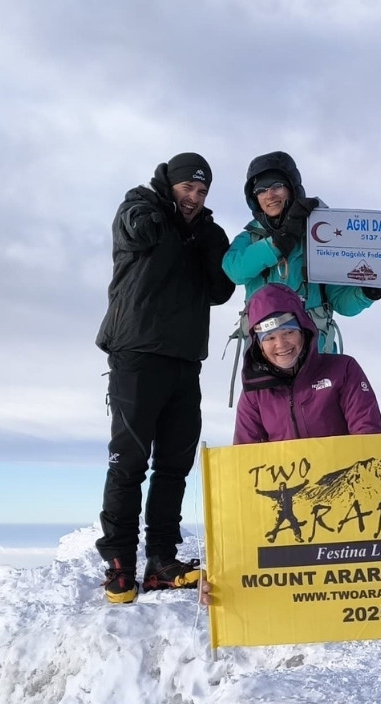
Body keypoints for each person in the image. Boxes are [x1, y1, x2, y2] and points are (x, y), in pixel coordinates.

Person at [92, 153, 235, 604]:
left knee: (175, 464)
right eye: (187, 189)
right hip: (136, 353)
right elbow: (138, 229)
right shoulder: (141, 206)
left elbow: (220, 289)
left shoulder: (206, 231)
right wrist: (173, 220)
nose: (193, 198)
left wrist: (208, 242)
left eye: (201, 192)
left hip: (184, 360)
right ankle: (118, 563)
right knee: (129, 460)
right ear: (169, 184)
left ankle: (160, 560)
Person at [221, 151, 381, 355]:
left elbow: (342, 303)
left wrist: (370, 291)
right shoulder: (250, 238)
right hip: (265, 357)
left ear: (292, 188)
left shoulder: (320, 236)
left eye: (276, 186)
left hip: (316, 356)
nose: (269, 195)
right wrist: (280, 241)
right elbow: (235, 270)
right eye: (260, 190)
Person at [234, 284, 381, 444]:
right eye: (270, 338)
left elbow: (367, 436)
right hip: (283, 470)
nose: (281, 344)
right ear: (259, 345)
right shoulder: (254, 393)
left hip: (343, 468)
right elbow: (244, 454)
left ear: (303, 332)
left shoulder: (343, 370)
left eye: (288, 332)